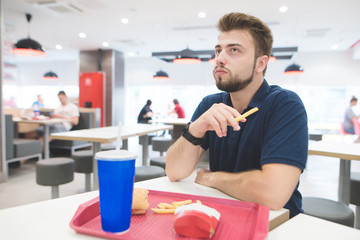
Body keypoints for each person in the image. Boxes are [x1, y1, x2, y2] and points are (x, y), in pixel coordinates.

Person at [165, 12, 308, 218]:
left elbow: (273, 193)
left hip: (278, 224)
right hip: (222, 216)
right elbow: (173, 171)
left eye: (234, 50)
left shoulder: (284, 104)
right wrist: (196, 128)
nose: (220, 59)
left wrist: (213, 179)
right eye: (218, 50)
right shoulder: (210, 104)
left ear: (260, 64)